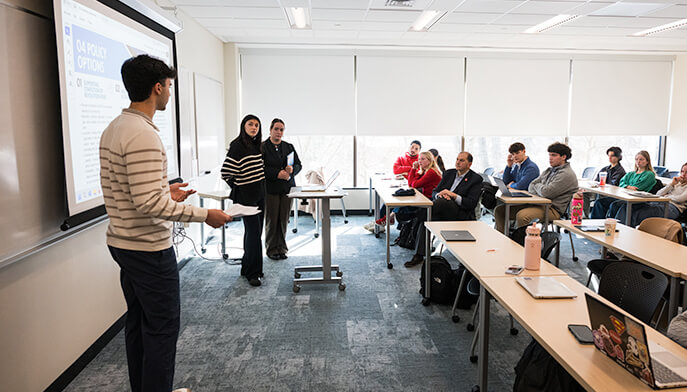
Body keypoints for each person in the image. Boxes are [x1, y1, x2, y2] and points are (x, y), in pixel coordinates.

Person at [99, 54, 232, 392]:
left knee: (139, 323)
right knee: (161, 328)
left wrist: (164, 190)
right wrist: (206, 215)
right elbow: (147, 203)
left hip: (123, 243)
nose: (170, 93)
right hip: (148, 250)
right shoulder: (142, 134)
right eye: (170, 86)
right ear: (157, 88)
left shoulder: (115, 128)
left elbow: (132, 192)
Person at [404, 152, 483, 267]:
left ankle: (415, 214)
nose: (458, 162)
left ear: (469, 164)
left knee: (436, 206)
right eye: (457, 159)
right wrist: (439, 195)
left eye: (462, 160)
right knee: (427, 218)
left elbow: (470, 203)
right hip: (441, 209)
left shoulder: (475, 179)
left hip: (460, 213)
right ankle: (419, 255)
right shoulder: (449, 173)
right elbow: (435, 191)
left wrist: (453, 196)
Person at [494, 142, 578, 233]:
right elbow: (531, 186)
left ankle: (521, 245)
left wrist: (539, 187)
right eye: (549, 155)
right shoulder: (549, 170)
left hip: (552, 210)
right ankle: (504, 240)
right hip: (539, 204)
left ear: (563, 157)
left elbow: (546, 192)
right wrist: (541, 188)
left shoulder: (566, 174)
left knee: (523, 216)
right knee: (500, 211)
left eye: (554, 155)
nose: (550, 158)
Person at [222, 114, 266, 287]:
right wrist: (238, 186)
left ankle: (247, 267)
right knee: (254, 235)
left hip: (260, 193)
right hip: (246, 197)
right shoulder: (237, 145)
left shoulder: (257, 145)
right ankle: (254, 273)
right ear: (243, 126)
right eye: (250, 124)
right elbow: (226, 172)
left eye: (256, 125)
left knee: (254, 233)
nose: (254, 127)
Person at [262, 118, 301, 260]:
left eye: (281, 129)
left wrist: (292, 170)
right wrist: (277, 173)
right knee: (272, 220)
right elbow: (261, 168)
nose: (279, 132)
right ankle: (271, 249)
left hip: (287, 188)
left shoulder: (288, 147)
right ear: (270, 130)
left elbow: (298, 165)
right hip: (271, 188)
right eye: (276, 129)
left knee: (283, 219)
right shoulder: (263, 147)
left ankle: (282, 248)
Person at [612, 162, 687, 226]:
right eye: (682, 171)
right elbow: (659, 193)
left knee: (640, 213)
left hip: (672, 208)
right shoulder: (676, 183)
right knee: (627, 207)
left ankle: (626, 232)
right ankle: (615, 229)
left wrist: (667, 196)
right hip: (659, 202)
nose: (683, 174)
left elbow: (680, 199)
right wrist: (671, 184)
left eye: (686, 172)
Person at [592, 150, 656, 220]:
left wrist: (626, 186)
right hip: (624, 196)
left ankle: (611, 226)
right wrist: (627, 186)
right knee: (600, 202)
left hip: (637, 200)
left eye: (641, 159)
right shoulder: (631, 173)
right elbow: (621, 183)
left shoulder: (649, 174)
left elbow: (638, 188)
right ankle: (596, 224)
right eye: (636, 159)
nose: (638, 161)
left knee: (614, 205)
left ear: (647, 161)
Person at [584, 147, 626, 217]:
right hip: (600, 191)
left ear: (618, 157)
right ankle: (585, 216)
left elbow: (613, 186)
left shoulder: (620, 171)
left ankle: (596, 221)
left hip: (611, 194)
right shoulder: (605, 168)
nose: (610, 158)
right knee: (583, 194)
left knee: (599, 202)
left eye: (612, 156)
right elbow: (596, 181)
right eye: (609, 156)